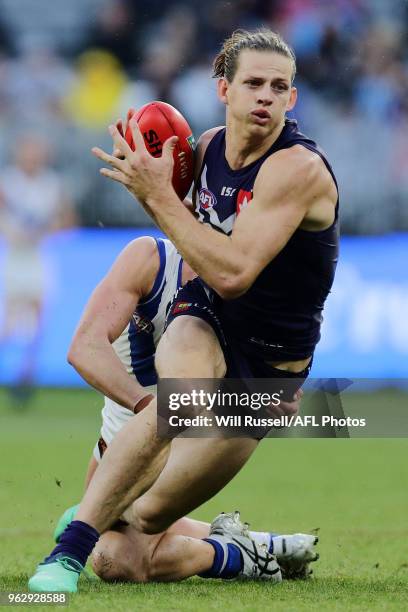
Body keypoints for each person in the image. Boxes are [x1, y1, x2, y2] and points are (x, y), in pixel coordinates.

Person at [29, 28, 338, 591]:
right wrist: (145, 178)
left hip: (268, 372)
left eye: (279, 87)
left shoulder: (298, 170)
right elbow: (198, 258)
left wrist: (157, 197)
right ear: (224, 88)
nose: (266, 96)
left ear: (292, 99)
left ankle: (247, 552)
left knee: (130, 541)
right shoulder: (207, 148)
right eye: (253, 83)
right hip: (209, 319)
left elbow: (235, 272)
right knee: (180, 399)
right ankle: (64, 557)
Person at [52, 234, 316, 584]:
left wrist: (272, 390)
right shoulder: (152, 259)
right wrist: (152, 410)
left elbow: (267, 378)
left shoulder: (251, 286)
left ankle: (241, 554)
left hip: (178, 464)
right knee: (116, 557)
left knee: (113, 559)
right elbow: (85, 347)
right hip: (115, 456)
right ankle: (253, 549)